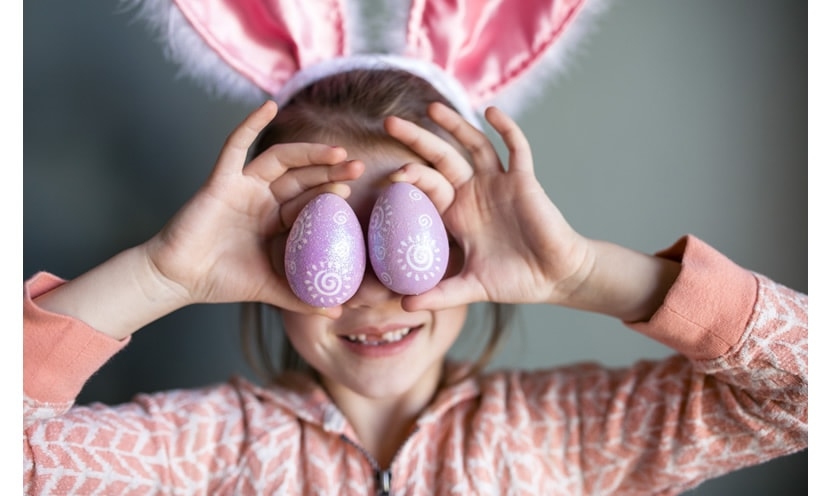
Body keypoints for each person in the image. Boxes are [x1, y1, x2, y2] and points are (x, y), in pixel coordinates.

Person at [23, 1, 807, 494]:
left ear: (474, 243)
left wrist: (582, 273)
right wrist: (164, 273)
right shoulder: (199, 453)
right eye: (326, 230)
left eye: (408, 229)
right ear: (268, 251)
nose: (372, 291)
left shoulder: (577, 439)